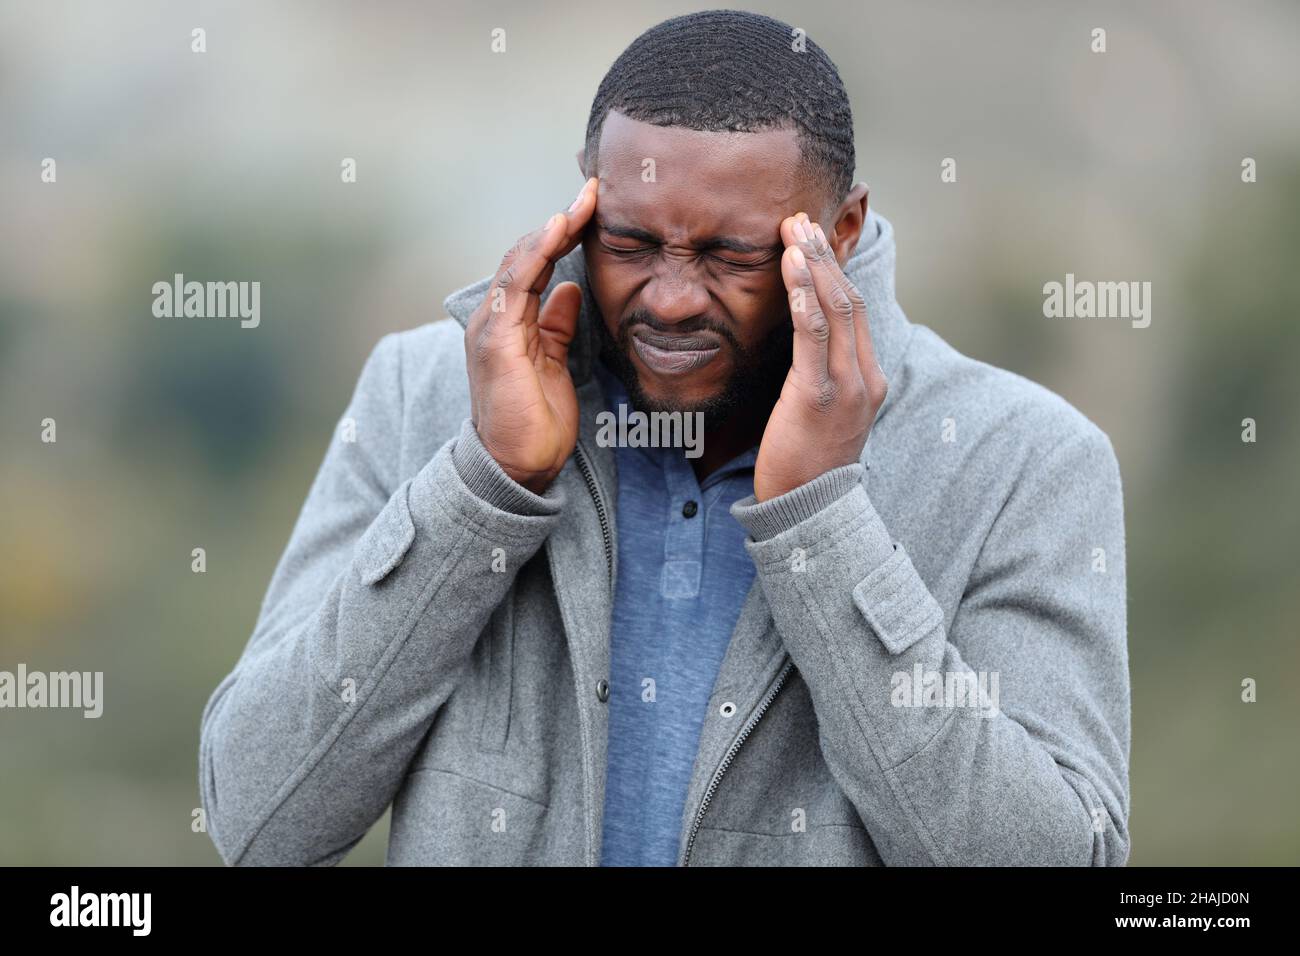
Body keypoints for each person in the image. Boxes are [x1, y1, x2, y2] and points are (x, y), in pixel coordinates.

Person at [199, 9, 1130, 866]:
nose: (673, 299)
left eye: (732, 256)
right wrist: (484, 489)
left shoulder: (1024, 461)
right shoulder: (422, 392)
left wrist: (822, 525)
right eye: (632, 244)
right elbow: (257, 816)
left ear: (840, 233)